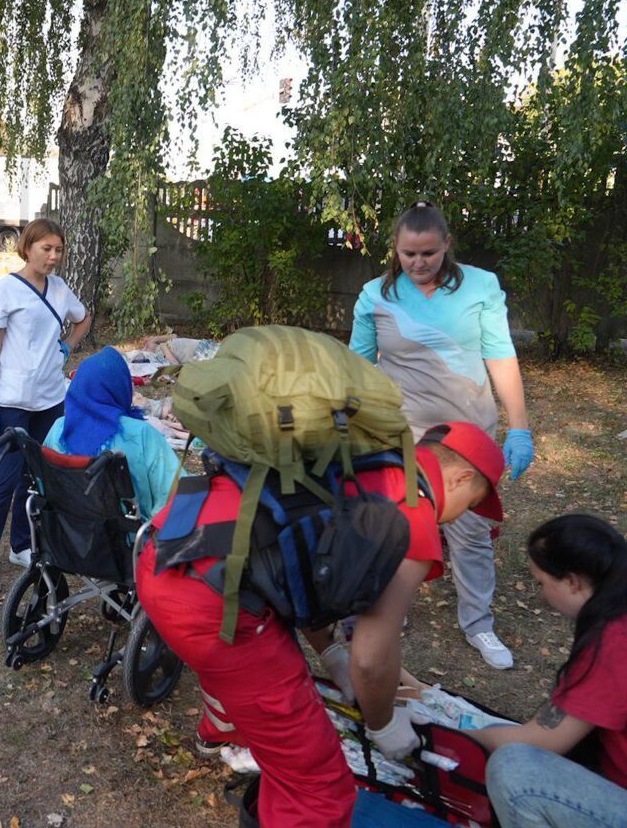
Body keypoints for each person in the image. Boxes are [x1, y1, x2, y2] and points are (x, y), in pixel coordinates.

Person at [136, 421, 506, 826]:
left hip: (168, 547)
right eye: (472, 503)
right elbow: (371, 655)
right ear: (461, 477)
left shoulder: (363, 461)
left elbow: (305, 568)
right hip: (209, 600)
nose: (462, 516)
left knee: (245, 673)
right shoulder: (413, 514)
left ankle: (223, 726)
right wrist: (384, 723)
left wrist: (332, 654)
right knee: (318, 785)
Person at [350, 201, 535, 670]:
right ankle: (388, 608)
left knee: (470, 531)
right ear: (395, 248)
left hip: (467, 434)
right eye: (409, 253)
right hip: (403, 431)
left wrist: (520, 427)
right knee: (398, 523)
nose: (418, 262)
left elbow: (500, 356)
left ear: (446, 245)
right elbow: (356, 367)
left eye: (429, 253)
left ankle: (479, 623)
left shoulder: (481, 287)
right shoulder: (375, 295)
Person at [466, 515, 627, 827]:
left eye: (541, 582)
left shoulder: (614, 642)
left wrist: (459, 734)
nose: (541, 594)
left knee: (516, 770)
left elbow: (541, 740)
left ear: (571, 581)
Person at [0, 219, 92, 594]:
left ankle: (21, 544)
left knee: (36, 478)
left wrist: (68, 345)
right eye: (45, 249)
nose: (53, 257)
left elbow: (83, 319)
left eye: (59, 250)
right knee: (3, 481)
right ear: (27, 248)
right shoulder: (4, 292)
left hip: (51, 399)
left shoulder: (61, 288)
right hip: (13, 401)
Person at [42, 346, 181, 521]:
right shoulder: (141, 434)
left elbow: (45, 485)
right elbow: (176, 494)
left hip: (68, 536)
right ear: (119, 387)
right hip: (130, 541)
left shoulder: (59, 429)